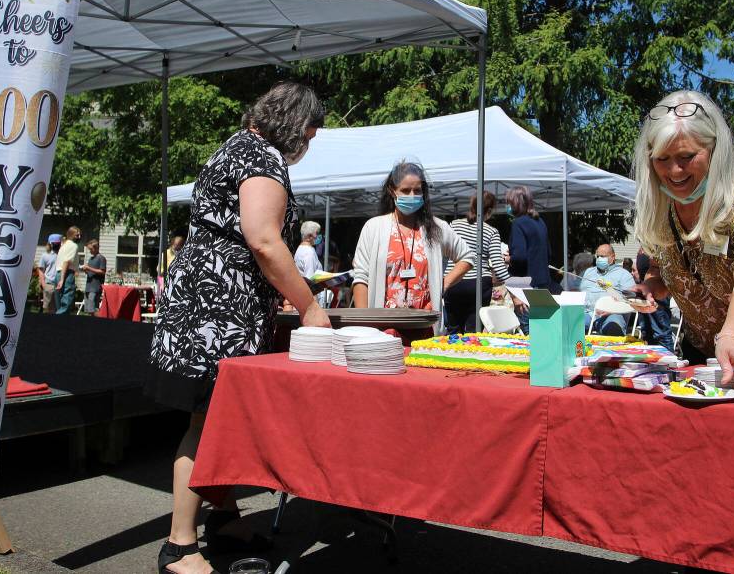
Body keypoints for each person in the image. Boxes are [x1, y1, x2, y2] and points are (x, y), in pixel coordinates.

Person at [146, 82, 329, 574]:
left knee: (222, 419)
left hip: (208, 305)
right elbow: (265, 241)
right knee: (205, 424)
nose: (309, 143)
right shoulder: (261, 157)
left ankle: (223, 520)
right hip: (217, 313)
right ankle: (179, 546)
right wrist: (309, 306)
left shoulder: (236, 146)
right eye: (310, 131)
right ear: (295, 123)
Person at [630, 89, 734, 391]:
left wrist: (731, 334)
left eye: (687, 157)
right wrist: (650, 287)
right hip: (707, 362)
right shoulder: (662, 208)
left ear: (716, 150)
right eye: (662, 159)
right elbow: (662, 267)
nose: (673, 171)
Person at [351, 161, 473, 332]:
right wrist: (364, 325)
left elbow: (467, 257)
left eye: (417, 191)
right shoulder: (374, 227)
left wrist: (442, 284)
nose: (412, 195)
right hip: (383, 329)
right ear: (392, 191)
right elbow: (361, 277)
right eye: (406, 190)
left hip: (425, 327)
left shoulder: (437, 228)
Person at [444, 191, 511, 333]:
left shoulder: (454, 225)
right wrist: (514, 286)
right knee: (474, 332)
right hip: (479, 284)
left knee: (453, 331)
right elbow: (498, 266)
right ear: (490, 210)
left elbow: (444, 254)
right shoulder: (491, 231)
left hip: (454, 281)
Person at [505, 186, 558, 333]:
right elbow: (548, 253)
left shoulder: (518, 223)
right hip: (543, 284)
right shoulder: (540, 222)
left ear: (516, 203)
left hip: (525, 286)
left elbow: (520, 257)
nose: (507, 206)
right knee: (542, 331)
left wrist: (509, 258)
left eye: (509, 202)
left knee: (529, 333)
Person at [580, 244, 637, 335]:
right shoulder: (588, 272)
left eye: (602, 256)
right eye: (597, 256)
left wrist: (612, 309)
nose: (599, 259)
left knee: (614, 325)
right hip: (588, 314)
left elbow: (630, 299)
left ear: (613, 257)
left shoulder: (624, 275)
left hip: (612, 315)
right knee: (572, 323)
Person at [635, 248, 675, 351]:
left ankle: (667, 358)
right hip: (647, 286)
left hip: (658, 289)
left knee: (660, 330)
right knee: (646, 330)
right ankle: (650, 358)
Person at [54, 226, 81, 315]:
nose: (79, 237)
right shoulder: (73, 246)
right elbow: (66, 262)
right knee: (67, 302)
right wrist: (62, 279)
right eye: (77, 235)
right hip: (66, 274)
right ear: (71, 235)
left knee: (60, 302)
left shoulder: (64, 245)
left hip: (58, 273)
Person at [37, 235, 61, 313]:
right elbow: (41, 270)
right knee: (48, 309)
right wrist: (43, 284)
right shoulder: (45, 255)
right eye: (55, 243)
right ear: (50, 244)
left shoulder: (62, 254)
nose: (58, 245)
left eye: (59, 243)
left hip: (60, 285)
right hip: (49, 284)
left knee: (59, 308)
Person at [81, 239, 107, 313]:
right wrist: (85, 270)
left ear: (96, 248)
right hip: (88, 286)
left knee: (93, 309)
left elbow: (102, 271)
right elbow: (90, 272)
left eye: (91, 249)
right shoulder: (91, 258)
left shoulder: (101, 258)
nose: (90, 251)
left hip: (95, 287)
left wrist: (89, 268)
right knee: (88, 309)